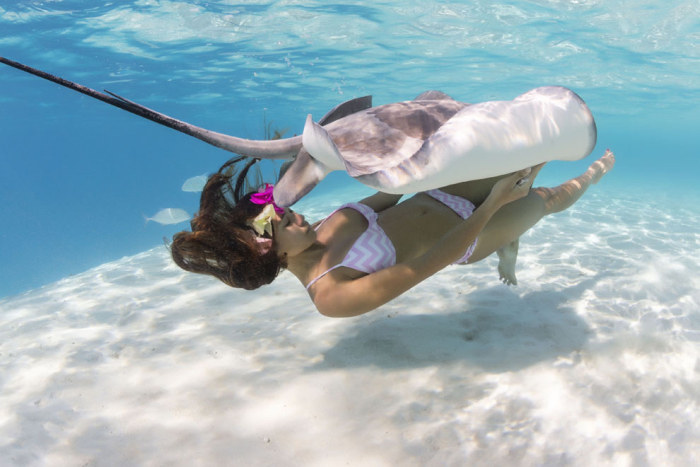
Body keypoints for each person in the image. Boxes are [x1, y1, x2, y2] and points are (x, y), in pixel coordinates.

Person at [171, 150, 615, 317]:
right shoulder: (332, 295)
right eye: (272, 229)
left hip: (442, 197)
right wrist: (498, 199)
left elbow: (398, 189)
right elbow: (432, 261)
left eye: (274, 216)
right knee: (546, 198)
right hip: (468, 239)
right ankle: (584, 183)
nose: (285, 217)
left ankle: (512, 226)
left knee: (523, 157)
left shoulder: (324, 226)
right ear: (272, 256)